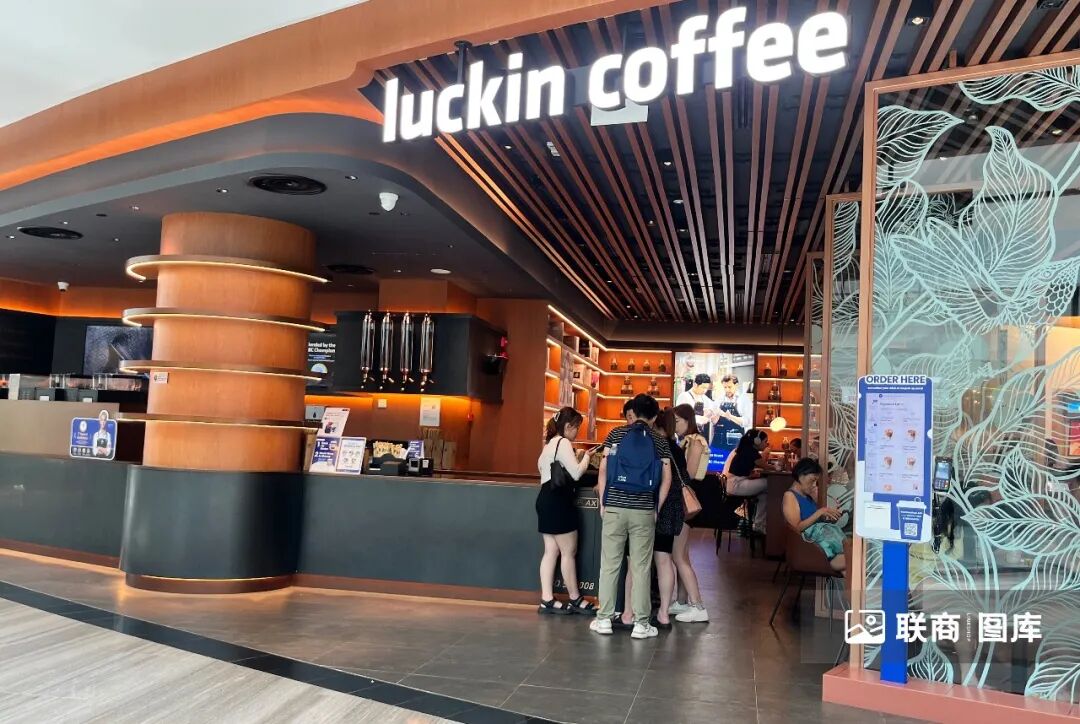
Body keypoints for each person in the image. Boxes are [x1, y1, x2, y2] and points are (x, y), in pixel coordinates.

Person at [592, 394, 672, 639]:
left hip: (615, 508)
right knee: (641, 568)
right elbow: (667, 479)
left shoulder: (616, 434)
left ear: (633, 412)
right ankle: (641, 624)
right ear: (654, 417)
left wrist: (603, 503)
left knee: (609, 565)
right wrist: (656, 508)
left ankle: (604, 619)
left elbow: (603, 469)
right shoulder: (659, 441)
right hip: (643, 511)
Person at [536, 407, 594, 615]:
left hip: (545, 499)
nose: (577, 431)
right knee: (569, 552)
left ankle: (547, 599)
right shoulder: (563, 443)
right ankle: (576, 598)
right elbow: (576, 474)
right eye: (577, 427)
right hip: (559, 502)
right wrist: (586, 457)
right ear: (568, 426)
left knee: (550, 551)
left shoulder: (549, 444)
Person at [668, 404, 709, 622]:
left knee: (678, 555)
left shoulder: (694, 441)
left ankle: (697, 605)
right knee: (682, 554)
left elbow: (690, 473)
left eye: (677, 421)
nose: (674, 425)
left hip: (687, 499)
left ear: (688, 420)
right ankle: (682, 601)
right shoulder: (687, 441)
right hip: (688, 498)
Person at [782, 458, 845, 573]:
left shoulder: (808, 496)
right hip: (811, 549)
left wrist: (829, 515)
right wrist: (819, 512)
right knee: (856, 559)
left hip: (820, 545)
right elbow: (796, 528)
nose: (814, 485)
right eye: (812, 480)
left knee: (851, 566)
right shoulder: (790, 496)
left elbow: (815, 521)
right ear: (801, 476)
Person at [723, 429, 770, 534]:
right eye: (765, 441)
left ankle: (759, 524)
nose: (767, 444)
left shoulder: (745, 449)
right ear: (757, 441)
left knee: (764, 494)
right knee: (769, 484)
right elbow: (767, 467)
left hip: (733, 484)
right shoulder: (752, 452)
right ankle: (759, 524)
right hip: (736, 485)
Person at [711, 374, 751, 455]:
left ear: (736, 385)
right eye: (725, 387)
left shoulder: (744, 399)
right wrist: (714, 418)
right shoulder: (719, 399)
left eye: (729, 387)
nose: (727, 390)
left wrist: (730, 416)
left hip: (735, 441)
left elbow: (746, 422)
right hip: (719, 440)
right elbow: (713, 421)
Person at [675, 374, 716, 442]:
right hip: (686, 434)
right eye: (703, 387)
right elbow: (681, 417)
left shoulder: (703, 397)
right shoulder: (684, 396)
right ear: (695, 384)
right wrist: (699, 419)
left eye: (706, 388)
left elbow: (714, 407)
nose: (705, 390)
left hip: (699, 434)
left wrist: (709, 412)